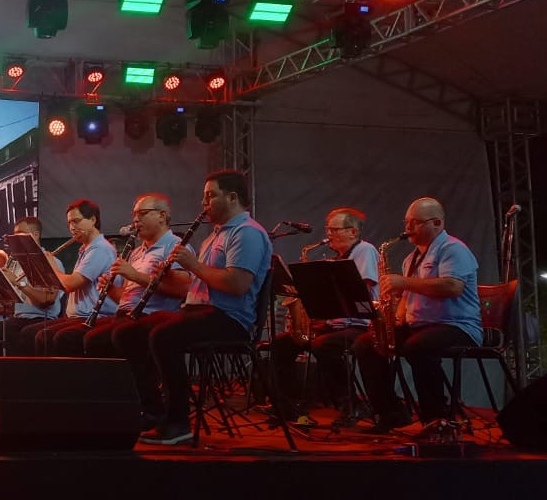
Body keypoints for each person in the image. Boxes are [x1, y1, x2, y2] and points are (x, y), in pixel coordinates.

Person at [134, 170, 272, 445]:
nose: (203, 203)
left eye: (210, 196)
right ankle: (152, 411)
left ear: (232, 197)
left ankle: (178, 422)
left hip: (230, 319)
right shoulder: (214, 236)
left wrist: (193, 265)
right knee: (130, 332)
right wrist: (171, 276)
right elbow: (201, 283)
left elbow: (236, 284)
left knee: (163, 336)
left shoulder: (247, 233)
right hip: (201, 312)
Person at [353, 197, 480, 434]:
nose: (407, 228)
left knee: (418, 346)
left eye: (415, 222)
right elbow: (408, 297)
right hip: (420, 326)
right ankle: (391, 412)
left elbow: (453, 287)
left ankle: (436, 419)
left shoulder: (453, 249)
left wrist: (404, 282)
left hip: (457, 325)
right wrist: (394, 320)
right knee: (366, 344)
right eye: (406, 222)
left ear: (437, 222)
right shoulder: (410, 259)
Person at [270, 208, 378, 418]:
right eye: (328, 229)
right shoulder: (337, 258)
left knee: (323, 346)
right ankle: (287, 405)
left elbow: (361, 291)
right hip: (335, 325)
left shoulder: (364, 250)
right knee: (281, 344)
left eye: (334, 230)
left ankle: (351, 404)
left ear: (353, 231)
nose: (328, 234)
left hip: (358, 325)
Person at [94, 194, 193, 358]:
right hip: (127, 316)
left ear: (162, 216)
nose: (135, 220)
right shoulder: (135, 253)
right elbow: (127, 298)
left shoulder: (176, 246)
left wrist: (135, 276)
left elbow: (184, 290)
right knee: (85, 336)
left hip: (155, 316)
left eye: (142, 213)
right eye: (134, 215)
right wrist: (111, 290)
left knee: (105, 338)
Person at [0, 217, 63, 377]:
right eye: (14, 235)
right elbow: (14, 301)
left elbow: (46, 301)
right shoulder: (17, 264)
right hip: (18, 319)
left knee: (19, 337)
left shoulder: (52, 262)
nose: (14, 239)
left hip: (40, 319)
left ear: (35, 235)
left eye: (20, 234)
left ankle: (12, 382)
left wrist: (18, 283)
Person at [31, 199, 117, 356]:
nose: (72, 227)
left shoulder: (100, 249)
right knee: (38, 334)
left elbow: (70, 284)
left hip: (96, 317)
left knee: (50, 337)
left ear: (93, 220)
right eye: (69, 223)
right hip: (80, 317)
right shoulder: (86, 249)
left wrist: (51, 267)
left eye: (76, 221)